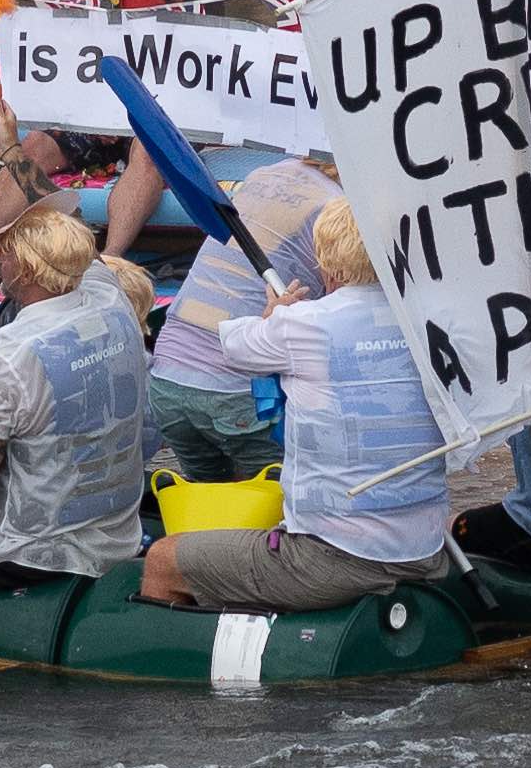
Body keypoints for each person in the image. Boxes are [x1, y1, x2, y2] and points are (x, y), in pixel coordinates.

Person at [127, 199, 452, 614]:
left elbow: (235, 347)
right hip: (424, 550)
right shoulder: (432, 322)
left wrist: (273, 315)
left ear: (325, 265)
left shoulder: (302, 325)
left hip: (332, 557)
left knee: (163, 560)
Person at [0, 207, 151, 601]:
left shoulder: (12, 351)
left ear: (24, 270)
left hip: (31, 554)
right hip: (117, 536)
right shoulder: (111, 299)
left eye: (3, 252)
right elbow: (79, 235)